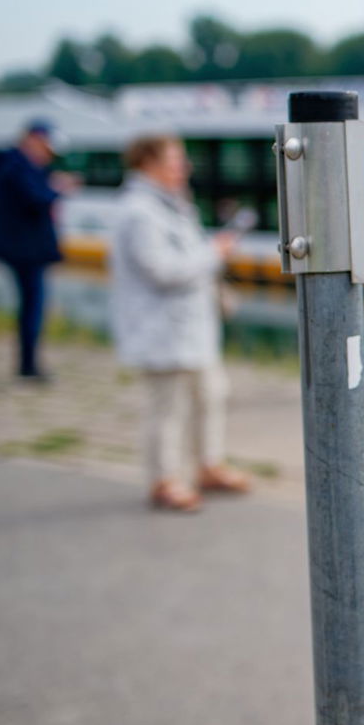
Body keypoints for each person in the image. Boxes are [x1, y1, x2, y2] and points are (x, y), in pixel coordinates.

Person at [109, 133, 251, 511]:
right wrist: (214, 252)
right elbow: (161, 270)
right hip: (160, 328)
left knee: (211, 394)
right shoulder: (140, 211)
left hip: (190, 325)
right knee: (166, 408)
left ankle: (208, 465)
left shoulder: (172, 204)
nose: (184, 168)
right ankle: (164, 479)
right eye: (175, 161)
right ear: (148, 164)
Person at [0, 119, 77, 380]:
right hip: (25, 251)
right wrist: (58, 188)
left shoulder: (13, 165)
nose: (49, 158)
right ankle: (28, 365)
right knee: (33, 306)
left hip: (24, 249)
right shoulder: (17, 167)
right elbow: (36, 199)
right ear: (35, 140)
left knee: (31, 306)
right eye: (48, 150)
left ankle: (29, 363)